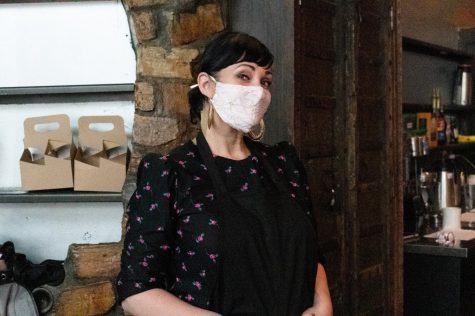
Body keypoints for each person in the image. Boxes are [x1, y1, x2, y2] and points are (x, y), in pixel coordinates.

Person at [116, 31, 333, 316]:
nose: (259, 89)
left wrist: (323, 303)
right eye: (245, 76)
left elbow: (310, 252)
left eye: (265, 81)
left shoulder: (284, 164)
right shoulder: (170, 173)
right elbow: (136, 291)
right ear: (207, 85)